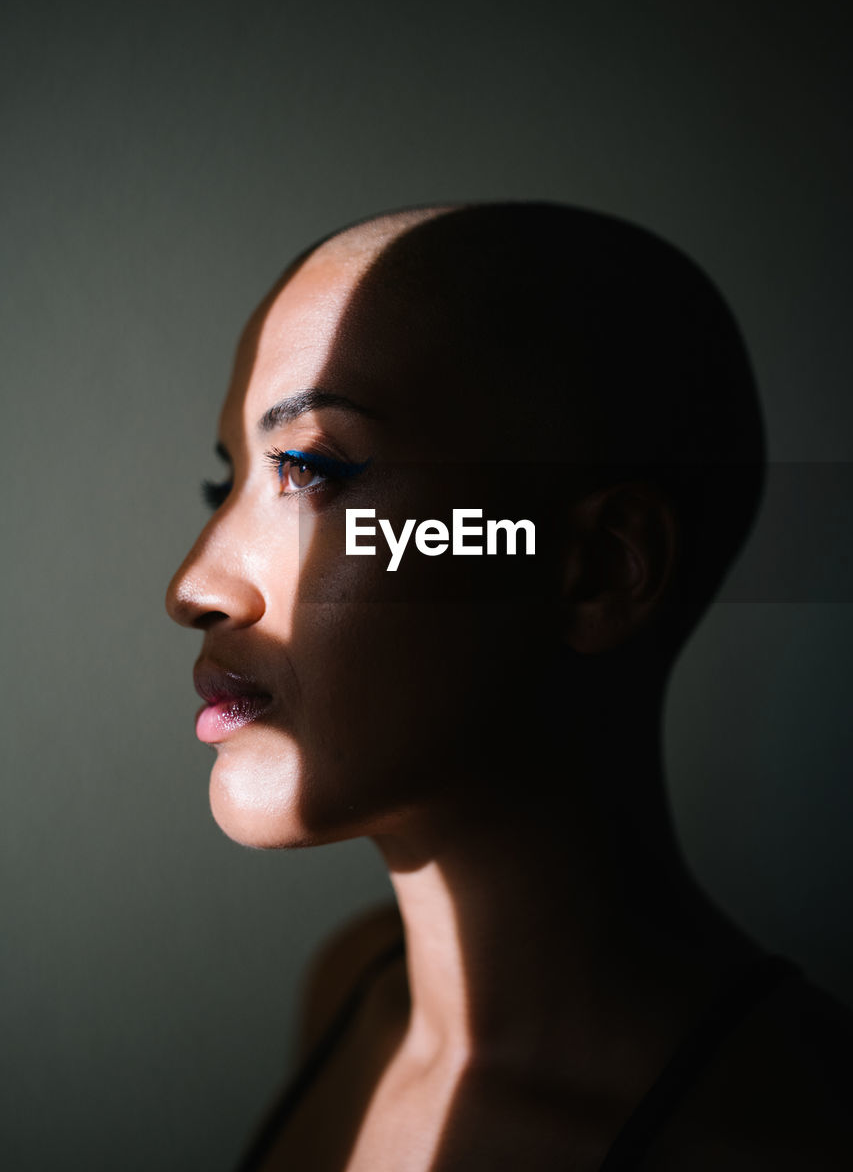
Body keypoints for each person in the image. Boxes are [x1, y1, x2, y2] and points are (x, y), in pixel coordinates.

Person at [165, 203, 852, 1171]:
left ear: (597, 568)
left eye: (314, 469)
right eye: (223, 483)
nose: (193, 583)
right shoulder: (353, 987)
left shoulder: (789, 1139)